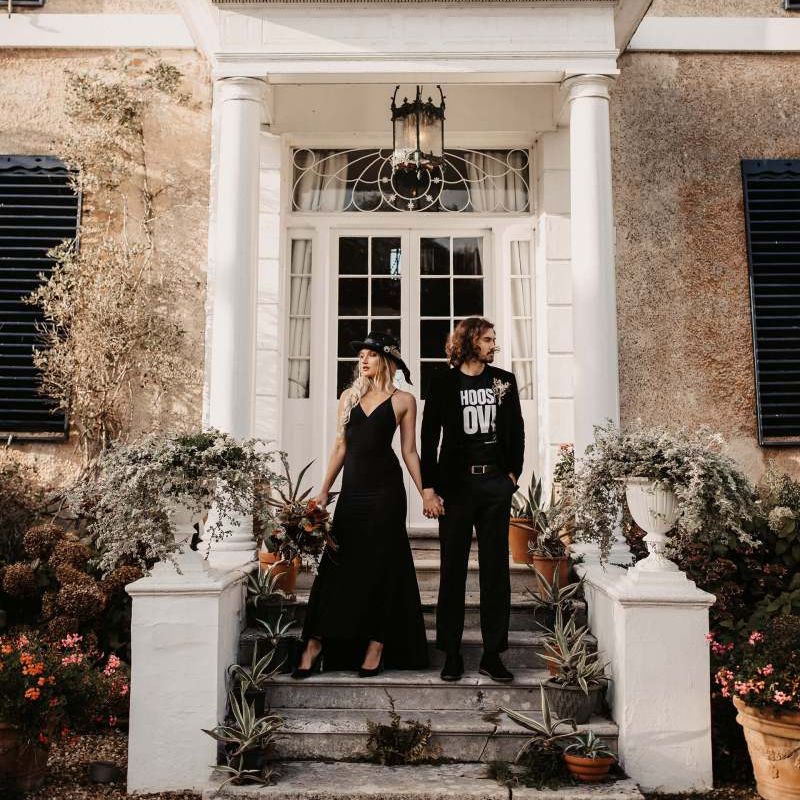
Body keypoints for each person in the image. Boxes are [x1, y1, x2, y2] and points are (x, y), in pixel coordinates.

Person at [293, 332, 429, 678]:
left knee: (383, 566)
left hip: (386, 493)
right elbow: (340, 448)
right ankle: (315, 641)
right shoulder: (348, 398)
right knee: (338, 563)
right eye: (361, 355)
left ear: (387, 361)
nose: (363, 360)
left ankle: (376, 642)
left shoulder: (404, 401)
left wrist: (426, 491)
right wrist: (324, 490)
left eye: (371, 354)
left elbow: (409, 451)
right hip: (353, 492)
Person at [420, 317, 524, 684]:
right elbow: (429, 437)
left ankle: (493, 655)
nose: (494, 344)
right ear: (469, 342)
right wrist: (429, 488)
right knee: (453, 571)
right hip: (456, 489)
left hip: (494, 486)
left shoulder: (503, 381)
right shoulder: (443, 382)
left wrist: (512, 476)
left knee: (496, 573)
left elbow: (517, 429)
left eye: (494, 339)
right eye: (488, 339)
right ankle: (451, 653)